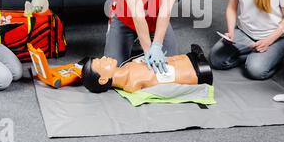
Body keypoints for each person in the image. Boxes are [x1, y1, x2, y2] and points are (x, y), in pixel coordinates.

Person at [82, 44, 212, 93]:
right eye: (101, 63)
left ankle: (190, 58)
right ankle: (198, 68)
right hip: (193, 73)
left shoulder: (126, 66)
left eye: (100, 58)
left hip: (178, 64)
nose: (104, 57)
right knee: (167, 70)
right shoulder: (131, 84)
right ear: (103, 80)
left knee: (166, 60)